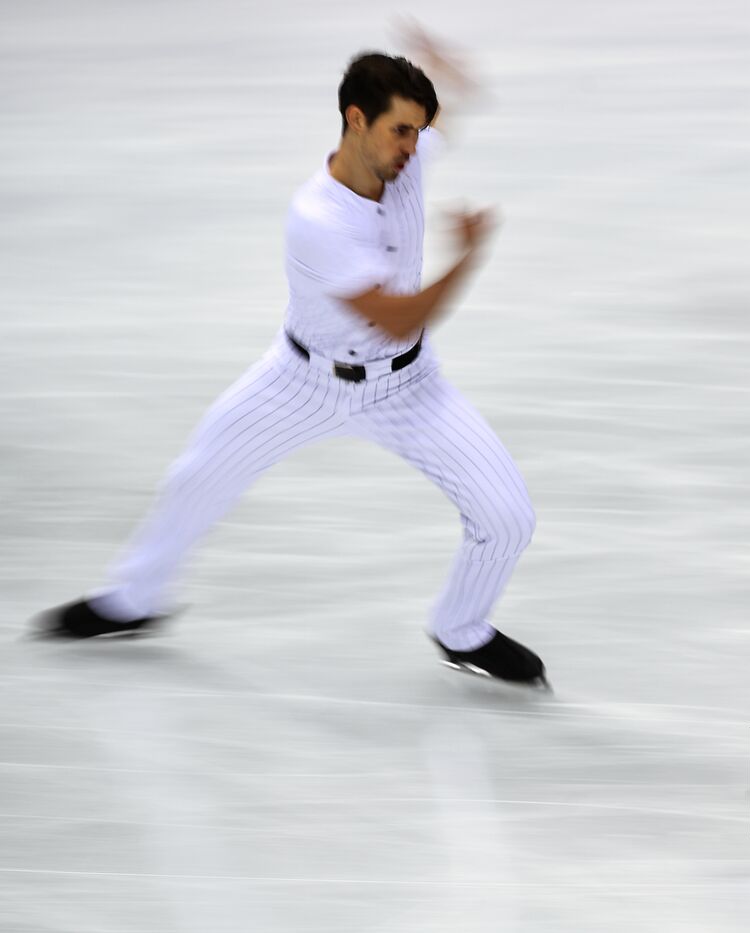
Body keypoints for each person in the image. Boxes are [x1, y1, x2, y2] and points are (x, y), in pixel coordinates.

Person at [36, 43, 548, 688]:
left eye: (418, 132)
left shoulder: (404, 158)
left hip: (409, 388)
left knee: (508, 519)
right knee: (196, 477)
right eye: (401, 131)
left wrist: (444, 77)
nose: (414, 148)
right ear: (356, 120)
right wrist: (468, 256)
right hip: (300, 381)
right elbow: (397, 317)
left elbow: (441, 121)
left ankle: (461, 629)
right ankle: (133, 601)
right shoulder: (318, 218)